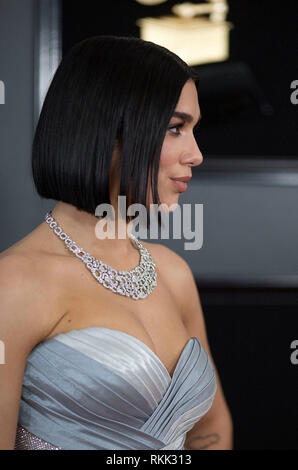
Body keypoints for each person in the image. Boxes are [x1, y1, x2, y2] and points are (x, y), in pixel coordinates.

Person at [0, 36, 233, 450]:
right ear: (108, 130)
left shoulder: (172, 272)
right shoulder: (14, 283)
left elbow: (211, 429)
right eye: (176, 128)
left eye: (193, 130)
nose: (196, 154)